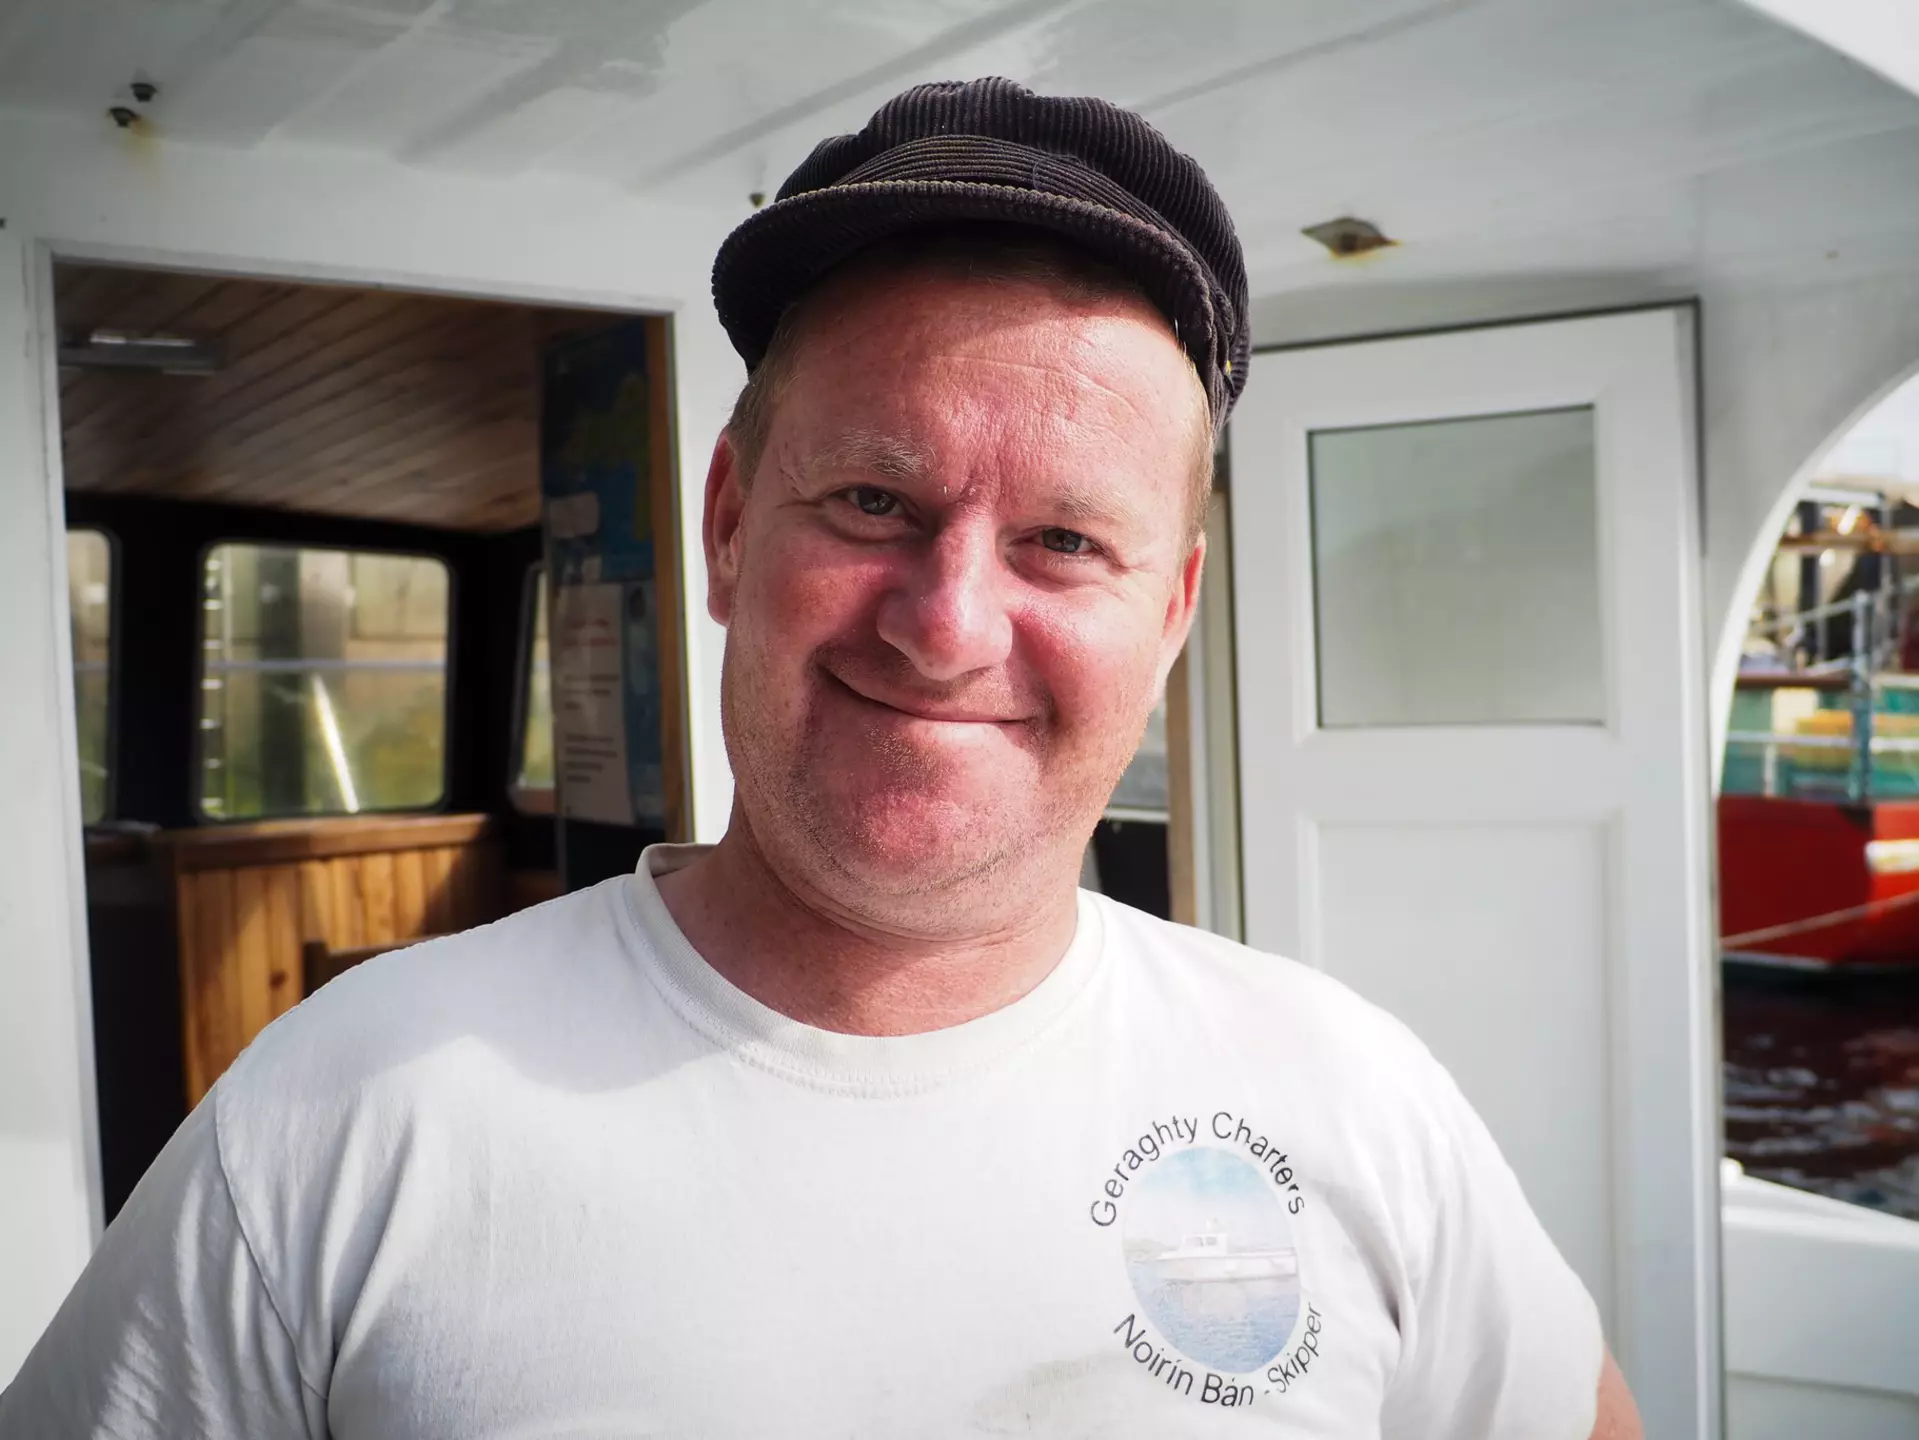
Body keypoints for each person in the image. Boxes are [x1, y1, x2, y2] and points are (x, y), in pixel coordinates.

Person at [0, 78, 1640, 1438]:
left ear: (1175, 609)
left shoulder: (1354, 1102)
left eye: (1065, 540)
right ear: (728, 527)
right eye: (872, 501)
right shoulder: (345, 1114)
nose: (945, 624)